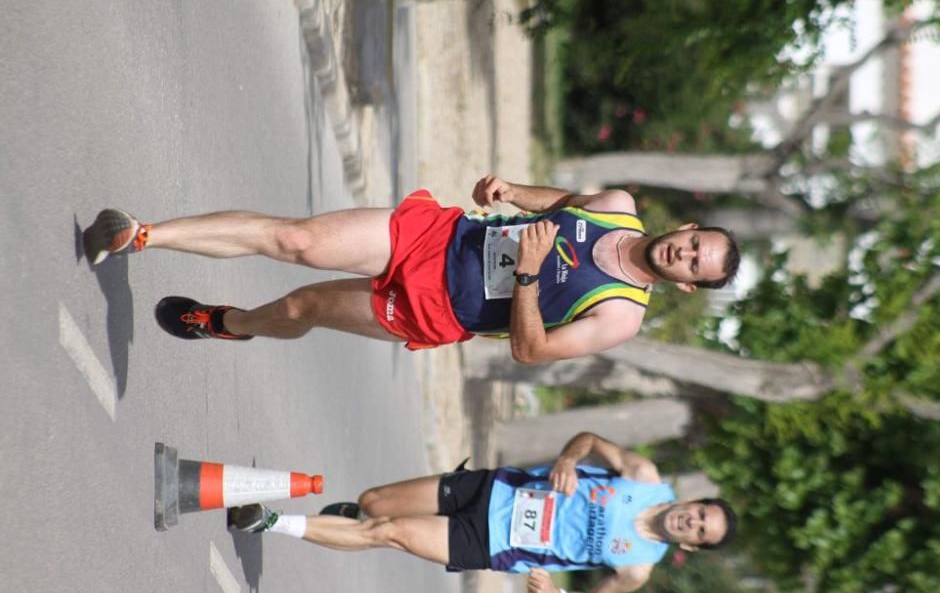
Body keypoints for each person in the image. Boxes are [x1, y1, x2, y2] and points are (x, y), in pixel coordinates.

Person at [83, 176, 740, 363]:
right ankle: (142, 234)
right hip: (438, 236)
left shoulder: (620, 315)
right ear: (684, 230)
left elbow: (531, 349)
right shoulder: (617, 207)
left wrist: (532, 276)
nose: (685, 254)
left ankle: (228, 323)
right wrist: (514, 191)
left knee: (299, 307)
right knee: (298, 239)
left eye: (694, 266)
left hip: (443, 309)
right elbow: (563, 204)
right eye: (693, 243)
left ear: (686, 283)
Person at [227, 432, 737, 593]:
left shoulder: (638, 567)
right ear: (693, 500)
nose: (691, 522)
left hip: (493, 543)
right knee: (373, 502)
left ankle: (271, 521)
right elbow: (590, 440)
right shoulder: (644, 476)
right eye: (700, 514)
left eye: (699, 532)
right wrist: (566, 458)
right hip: (493, 489)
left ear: (690, 547)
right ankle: (348, 519)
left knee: (387, 533)